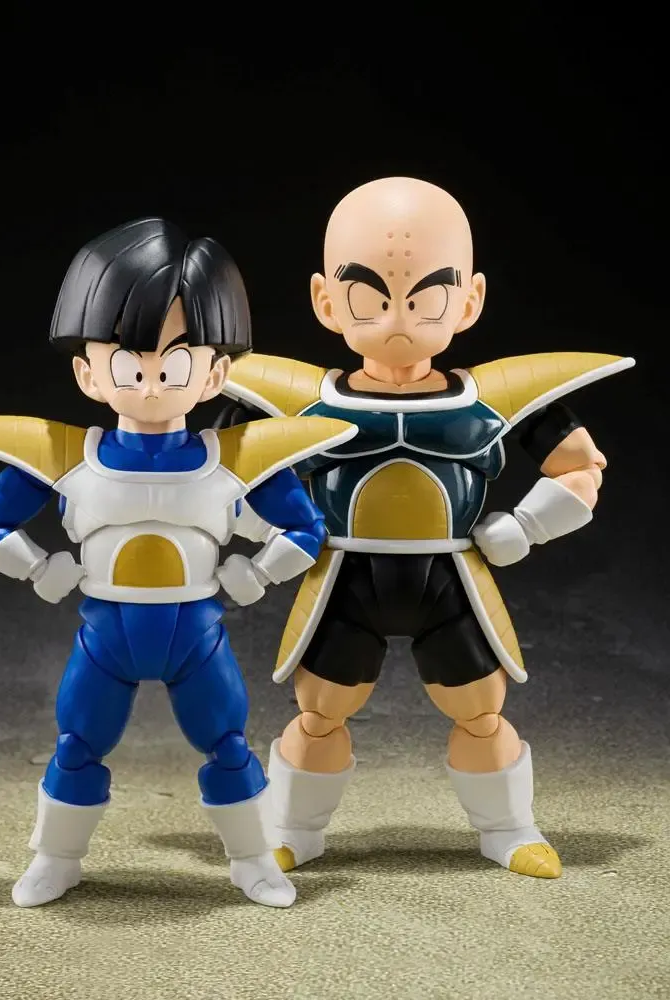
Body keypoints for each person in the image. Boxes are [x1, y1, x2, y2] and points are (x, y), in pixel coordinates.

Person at [214, 178, 634, 880]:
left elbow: (581, 466)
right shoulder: (299, 399)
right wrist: (268, 525)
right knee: (319, 711)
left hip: (451, 577)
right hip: (343, 576)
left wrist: (527, 527)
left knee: (481, 710)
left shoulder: (491, 399)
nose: (399, 318)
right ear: (326, 300)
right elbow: (222, 470)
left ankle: (509, 828)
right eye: (370, 297)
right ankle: (292, 829)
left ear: (468, 300)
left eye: (426, 298)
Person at [0, 217, 356, 909]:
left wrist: (258, 572)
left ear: (216, 372)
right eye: (132, 365)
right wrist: (38, 568)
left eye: (177, 363)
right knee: (77, 744)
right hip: (105, 634)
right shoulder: (68, 456)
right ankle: (54, 858)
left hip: (198, 633)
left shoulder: (235, 457)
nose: (155, 383)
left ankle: (255, 861)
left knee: (228, 745)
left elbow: (307, 528)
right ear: (88, 372)